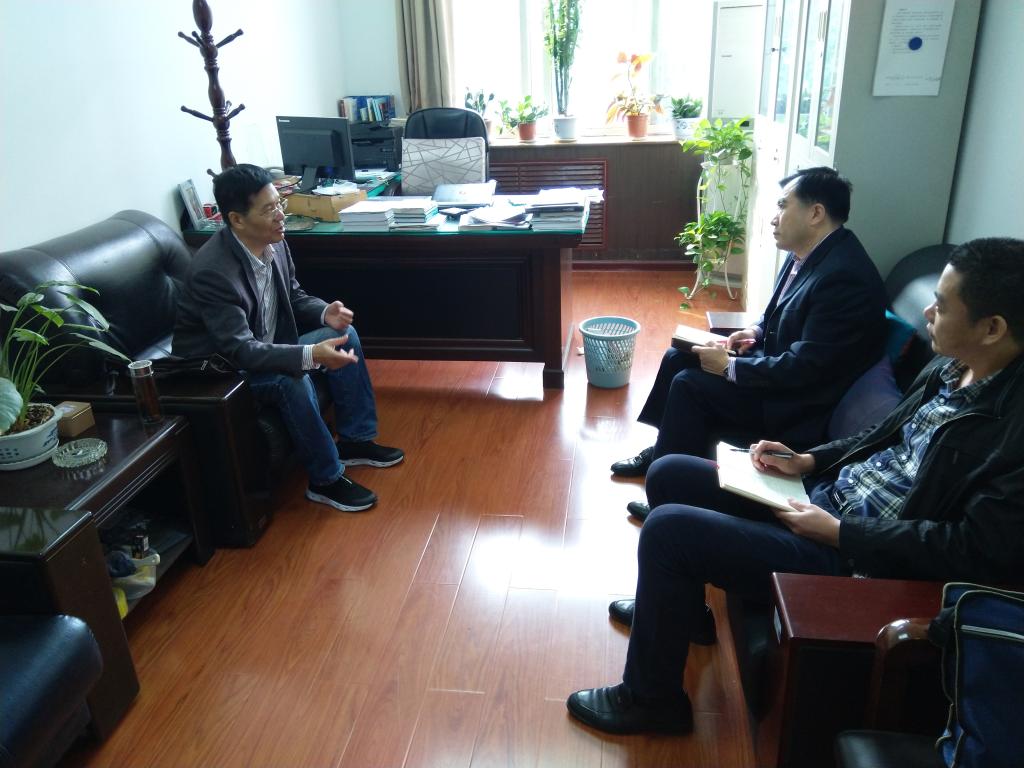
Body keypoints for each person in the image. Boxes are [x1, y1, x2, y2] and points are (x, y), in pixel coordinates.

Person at [567, 237, 1024, 735]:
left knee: (667, 530)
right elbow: (881, 433)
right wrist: (808, 460)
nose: (929, 312)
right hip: (825, 499)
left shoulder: (1013, 434)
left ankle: (651, 701)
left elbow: (972, 549)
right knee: (669, 472)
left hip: (857, 557)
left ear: (992, 328)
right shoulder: (950, 368)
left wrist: (841, 533)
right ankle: (684, 613)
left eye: (943, 305)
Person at [611, 167, 887, 522]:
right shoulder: (808, 252)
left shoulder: (844, 278)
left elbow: (808, 367)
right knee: (678, 356)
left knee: (689, 384)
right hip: (777, 368)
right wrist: (754, 331)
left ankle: (667, 494)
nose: (774, 218)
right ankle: (665, 448)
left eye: (783, 206)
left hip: (796, 403)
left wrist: (730, 367)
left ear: (816, 213)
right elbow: (778, 313)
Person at [173, 164, 402, 512]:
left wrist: (325, 313)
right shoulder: (213, 272)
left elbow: (293, 295)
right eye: (269, 209)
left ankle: (355, 440)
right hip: (223, 372)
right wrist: (310, 354)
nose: (281, 215)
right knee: (290, 379)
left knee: (344, 333)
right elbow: (240, 350)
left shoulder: (274, 242)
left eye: (278, 203)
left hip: (261, 349)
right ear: (236, 220)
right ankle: (325, 479)